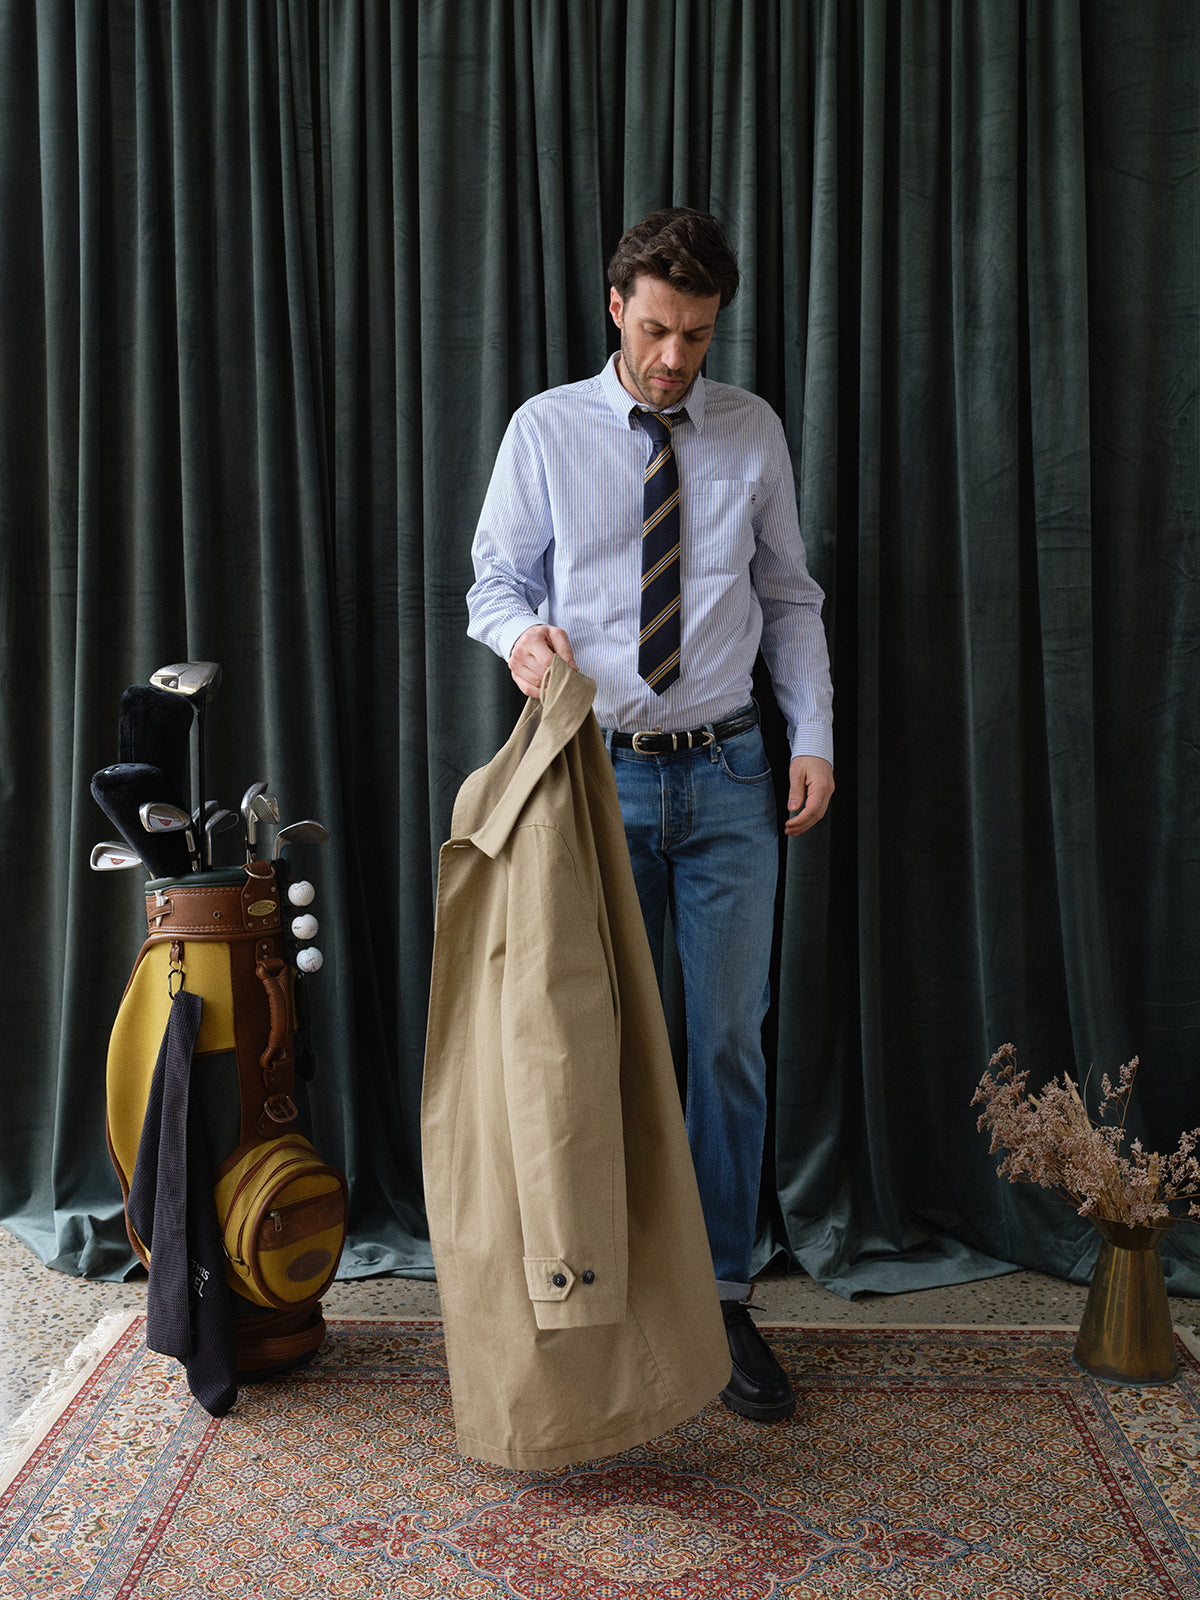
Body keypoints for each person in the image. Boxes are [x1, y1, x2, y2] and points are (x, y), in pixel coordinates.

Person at [466, 206, 834, 1421]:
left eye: (701, 334)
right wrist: (523, 639)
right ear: (617, 304)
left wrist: (814, 736)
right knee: (585, 1052)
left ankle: (721, 1299)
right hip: (591, 775)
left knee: (726, 1043)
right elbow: (495, 580)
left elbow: (788, 597)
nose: (679, 357)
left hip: (731, 775)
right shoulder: (546, 430)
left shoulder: (751, 432)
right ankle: (593, 1300)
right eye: (662, 328)